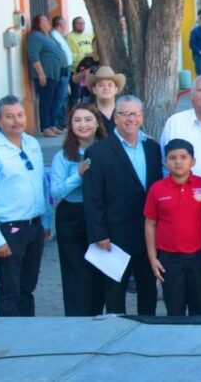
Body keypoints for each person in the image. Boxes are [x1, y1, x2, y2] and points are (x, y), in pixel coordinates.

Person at [83, 95, 162, 315]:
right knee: (115, 290)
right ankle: (115, 327)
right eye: (125, 114)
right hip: (114, 234)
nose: (130, 119)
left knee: (148, 287)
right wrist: (99, 233)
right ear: (115, 118)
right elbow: (92, 197)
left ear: (142, 117)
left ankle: (147, 326)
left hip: (148, 231)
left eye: (135, 114)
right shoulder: (98, 152)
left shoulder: (153, 148)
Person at [0, 95, 51, 316]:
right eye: (9, 116)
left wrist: (46, 221)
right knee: (10, 289)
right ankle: (10, 333)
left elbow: (42, 185)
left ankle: (27, 330)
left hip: (34, 227)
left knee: (28, 287)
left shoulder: (32, 143)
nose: (16, 121)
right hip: (9, 230)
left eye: (20, 115)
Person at [144, 139, 201, 316]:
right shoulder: (157, 189)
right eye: (172, 157)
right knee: (175, 310)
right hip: (169, 260)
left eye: (183, 157)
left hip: (199, 258)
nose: (178, 161)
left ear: (193, 161)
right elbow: (150, 224)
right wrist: (153, 258)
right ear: (165, 161)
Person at [49, 104, 108, 316]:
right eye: (77, 120)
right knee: (76, 273)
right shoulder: (63, 156)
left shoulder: (107, 150)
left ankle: (97, 315)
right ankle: (77, 319)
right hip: (72, 216)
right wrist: (78, 175)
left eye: (88, 119)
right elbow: (56, 191)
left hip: (100, 216)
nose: (83, 124)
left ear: (97, 123)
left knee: (100, 271)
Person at [27, 15, 68, 136]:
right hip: (45, 74)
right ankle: (45, 127)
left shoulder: (48, 36)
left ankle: (51, 125)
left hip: (54, 74)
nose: (47, 22)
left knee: (52, 101)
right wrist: (41, 73)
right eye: (44, 20)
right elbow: (33, 55)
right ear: (38, 23)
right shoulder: (35, 36)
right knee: (46, 101)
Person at [86, 65, 125, 134]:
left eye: (110, 85)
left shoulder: (126, 113)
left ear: (116, 89)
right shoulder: (87, 115)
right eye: (101, 85)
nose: (106, 88)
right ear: (94, 90)